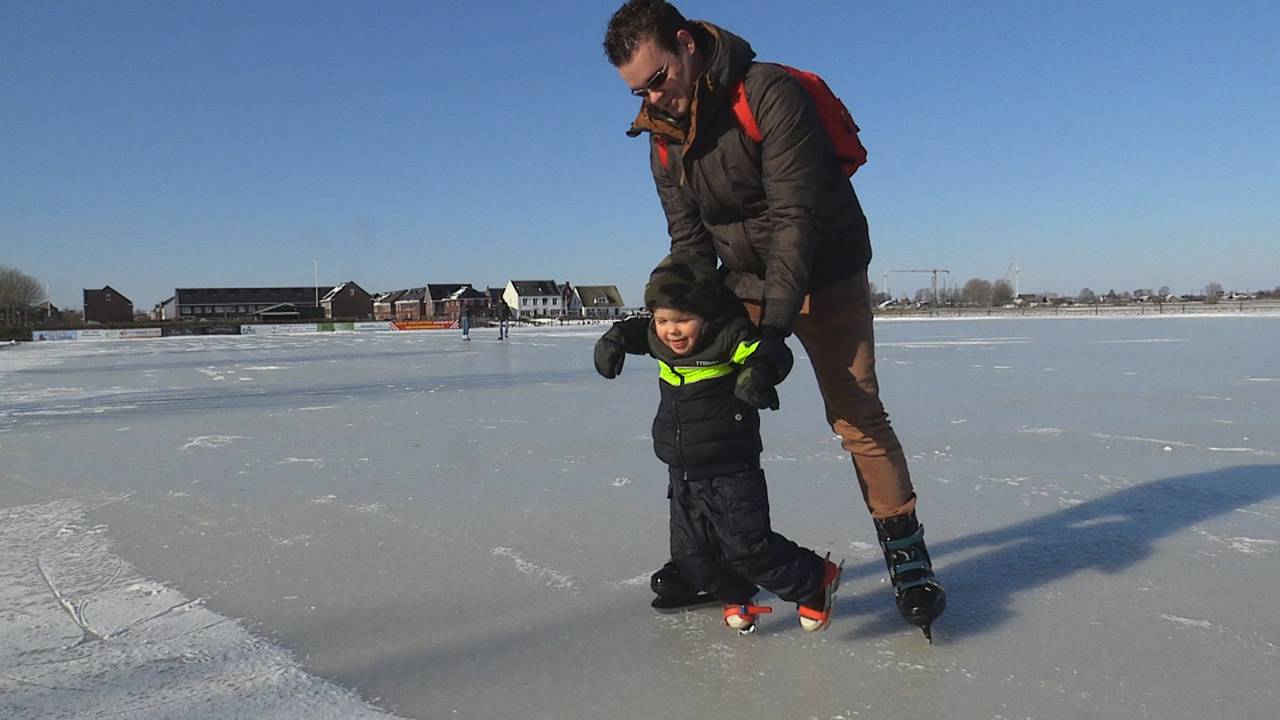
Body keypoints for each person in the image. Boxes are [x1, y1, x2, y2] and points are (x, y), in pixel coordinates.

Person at [603, 0, 945, 639]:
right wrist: (649, 325)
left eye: (658, 78)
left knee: (855, 413)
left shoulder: (769, 93)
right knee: (703, 389)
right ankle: (710, 554)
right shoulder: (662, 135)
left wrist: (771, 335)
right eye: (638, 89)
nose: (654, 96)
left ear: (686, 45)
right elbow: (688, 246)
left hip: (828, 267)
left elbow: (796, 220)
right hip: (748, 278)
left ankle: (908, 558)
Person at [595, 256, 841, 634]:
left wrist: (758, 374)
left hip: (731, 468)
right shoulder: (657, 338)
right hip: (682, 472)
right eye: (663, 321)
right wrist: (614, 340)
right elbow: (634, 330)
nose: (672, 332)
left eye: (683, 321)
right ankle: (738, 594)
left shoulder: (730, 337)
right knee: (691, 556)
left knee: (748, 548)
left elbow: (771, 353)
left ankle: (815, 580)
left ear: (707, 315)